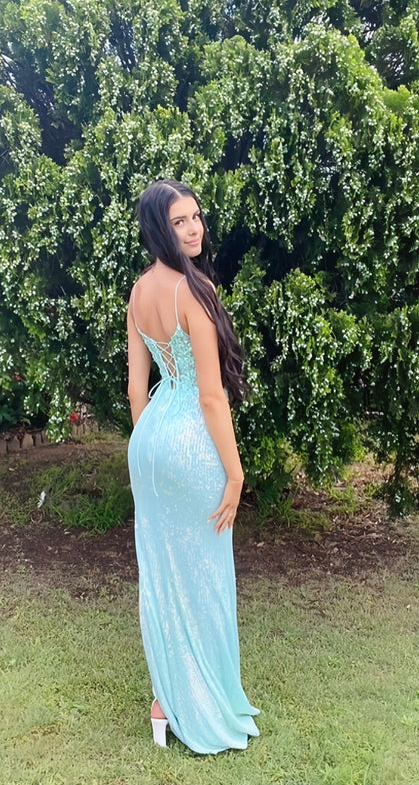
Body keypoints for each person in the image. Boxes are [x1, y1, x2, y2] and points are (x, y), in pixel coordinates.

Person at [126, 179, 260, 754]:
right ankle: (201, 703)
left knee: (162, 574)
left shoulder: (138, 292)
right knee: (203, 574)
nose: (193, 228)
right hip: (190, 441)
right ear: (160, 229)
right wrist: (235, 473)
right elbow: (210, 397)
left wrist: (149, 450)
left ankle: (164, 700)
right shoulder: (193, 292)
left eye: (196, 217)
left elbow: (136, 389)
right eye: (179, 221)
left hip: (150, 440)